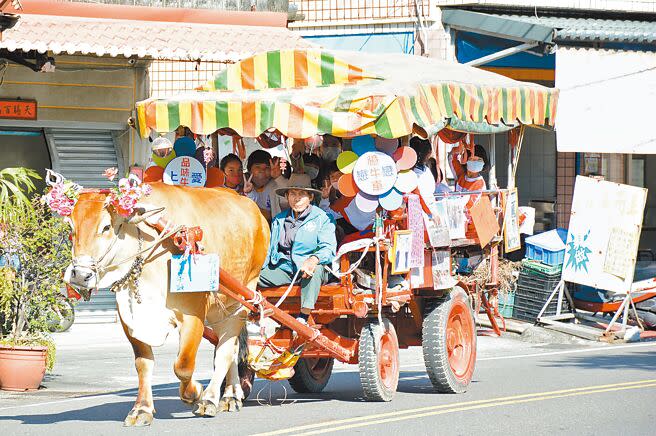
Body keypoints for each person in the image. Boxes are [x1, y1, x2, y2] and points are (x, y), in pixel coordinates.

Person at [258, 174, 337, 325]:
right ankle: (256, 310)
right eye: (293, 194)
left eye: (302, 194)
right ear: (286, 197)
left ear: (310, 197)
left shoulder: (322, 218)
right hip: (284, 268)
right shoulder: (279, 219)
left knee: (314, 271)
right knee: (255, 276)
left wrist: (313, 260)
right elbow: (270, 249)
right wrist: (259, 267)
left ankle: (304, 316)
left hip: (311, 268)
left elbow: (328, 247)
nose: (297, 198)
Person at [449, 143, 488, 208]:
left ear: (484, 163)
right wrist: (460, 148)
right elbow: (451, 157)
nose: (475, 162)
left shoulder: (480, 184)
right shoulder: (460, 175)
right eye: (472, 159)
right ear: (466, 161)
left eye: (479, 160)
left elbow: (470, 206)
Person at [244, 150, 273, 221]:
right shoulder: (241, 184)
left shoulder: (275, 186)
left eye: (267, 167)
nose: (262, 170)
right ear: (249, 169)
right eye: (258, 167)